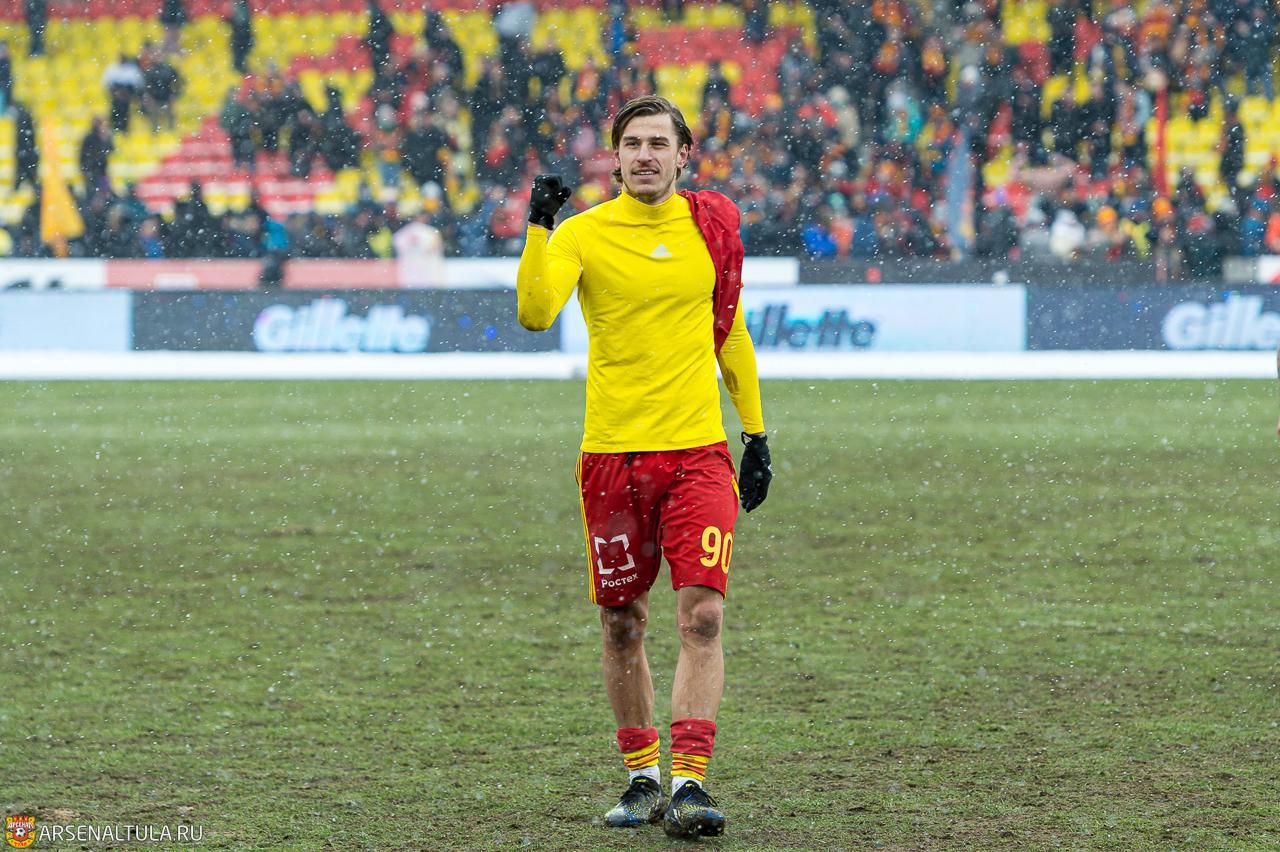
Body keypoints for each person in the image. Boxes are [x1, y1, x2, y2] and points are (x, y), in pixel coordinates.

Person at [516, 95, 773, 839]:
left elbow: (730, 334)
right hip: (613, 456)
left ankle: (690, 782)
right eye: (633, 143)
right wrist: (538, 227)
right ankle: (642, 777)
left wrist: (756, 434)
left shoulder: (708, 229)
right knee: (622, 622)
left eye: (659, 143)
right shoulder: (584, 233)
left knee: (703, 614)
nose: (645, 156)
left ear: (684, 155)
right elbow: (535, 313)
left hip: (697, 453)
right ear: (617, 156)